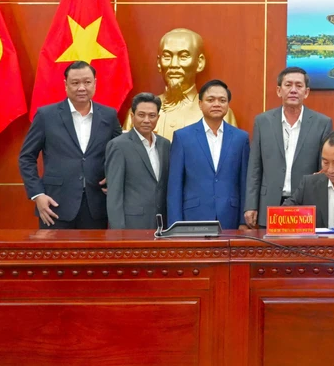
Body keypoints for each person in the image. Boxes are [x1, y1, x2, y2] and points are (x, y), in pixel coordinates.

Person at [19, 61, 122, 228]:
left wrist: (114, 178)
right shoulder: (46, 115)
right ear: (65, 85)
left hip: (96, 205)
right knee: (56, 254)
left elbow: (120, 153)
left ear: (95, 83)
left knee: (93, 254)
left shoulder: (109, 116)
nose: (82, 87)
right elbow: (26, 157)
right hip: (54, 205)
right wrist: (37, 194)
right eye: (75, 83)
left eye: (87, 82)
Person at [244, 67, 332, 228]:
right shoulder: (263, 121)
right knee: (270, 252)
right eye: (288, 85)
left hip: (305, 205)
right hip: (269, 203)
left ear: (306, 92)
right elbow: (255, 167)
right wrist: (250, 205)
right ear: (279, 90)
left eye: (298, 86)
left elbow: (323, 170)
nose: (293, 90)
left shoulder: (322, 123)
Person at [122, 28, 237, 140]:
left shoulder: (218, 113)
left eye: (183, 57)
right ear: (159, 63)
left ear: (199, 63)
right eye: (167, 56)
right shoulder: (139, 112)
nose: (174, 64)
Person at [167, 79, 249, 229]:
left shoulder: (240, 138)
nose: (216, 104)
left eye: (222, 100)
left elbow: (244, 182)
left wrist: (243, 221)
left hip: (230, 217)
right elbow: (175, 185)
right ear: (200, 104)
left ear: (228, 105)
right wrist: (175, 224)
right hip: (193, 217)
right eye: (210, 100)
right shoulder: (183, 137)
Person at [105, 93, 171, 229]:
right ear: (132, 116)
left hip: (162, 223)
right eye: (141, 115)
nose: (147, 120)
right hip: (132, 224)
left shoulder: (165, 144)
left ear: (158, 118)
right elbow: (114, 194)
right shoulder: (119, 145)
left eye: (152, 116)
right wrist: (118, 232)